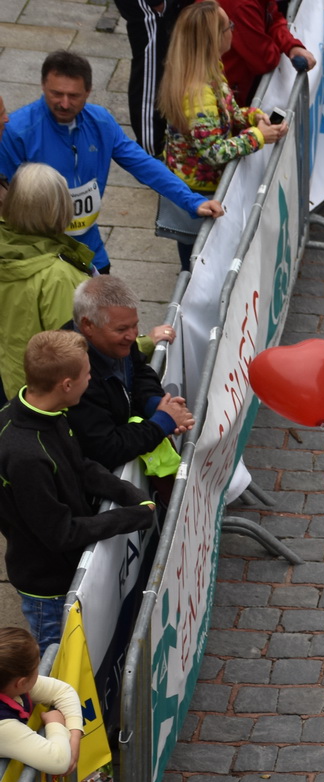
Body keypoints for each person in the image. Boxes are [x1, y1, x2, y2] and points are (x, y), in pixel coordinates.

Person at [0, 331, 158, 648]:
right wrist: (130, 518)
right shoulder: (28, 457)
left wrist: (127, 493)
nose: (92, 378)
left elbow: (80, 465)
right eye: (88, 373)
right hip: (50, 586)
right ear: (67, 385)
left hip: (67, 569)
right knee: (55, 669)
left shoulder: (50, 413)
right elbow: (61, 534)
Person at [0, 52, 223, 275]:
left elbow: (143, 164)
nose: (64, 103)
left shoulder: (101, 122)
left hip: (90, 250)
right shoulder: (17, 131)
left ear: (88, 91)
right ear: (42, 86)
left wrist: (192, 201)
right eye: (56, 94)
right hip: (40, 256)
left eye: (74, 96)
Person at [162, 2, 287, 267]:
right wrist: (258, 136)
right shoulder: (198, 93)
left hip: (204, 188)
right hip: (200, 194)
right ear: (214, 38)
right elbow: (213, 152)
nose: (233, 30)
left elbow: (225, 114)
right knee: (197, 263)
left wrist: (252, 116)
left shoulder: (210, 68)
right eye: (229, 26)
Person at [65, 276, 195, 477]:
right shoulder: (75, 376)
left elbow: (139, 370)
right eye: (122, 329)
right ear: (88, 325)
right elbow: (105, 448)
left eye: (135, 325)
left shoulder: (116, 340)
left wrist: (155, 402)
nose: (133, 336)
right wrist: (161, 423)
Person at [0, 165, 95, 400]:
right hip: (49, 400)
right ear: (61, 208)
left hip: (12, 382)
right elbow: (73, 351)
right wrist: (140, 343)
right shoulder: (59, 275)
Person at [114, 0, 195, 155]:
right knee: (152, 66)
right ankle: (152, 151)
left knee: (173, 61)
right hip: (155, 8)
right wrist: (157, 3)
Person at [0, 627, 83, 775]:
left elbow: (63, 691)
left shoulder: (8, 684)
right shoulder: (3, 726)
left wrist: (75, 735)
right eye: (36, 668)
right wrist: (55, 723)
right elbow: (58, 761)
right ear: (22, 682)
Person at [218, 0, 315, 105]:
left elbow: (274, 19)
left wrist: (291, 46)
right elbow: (264, 60)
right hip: (218, 95)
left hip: (233, 95)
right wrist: (278, 45)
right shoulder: (242, 5)